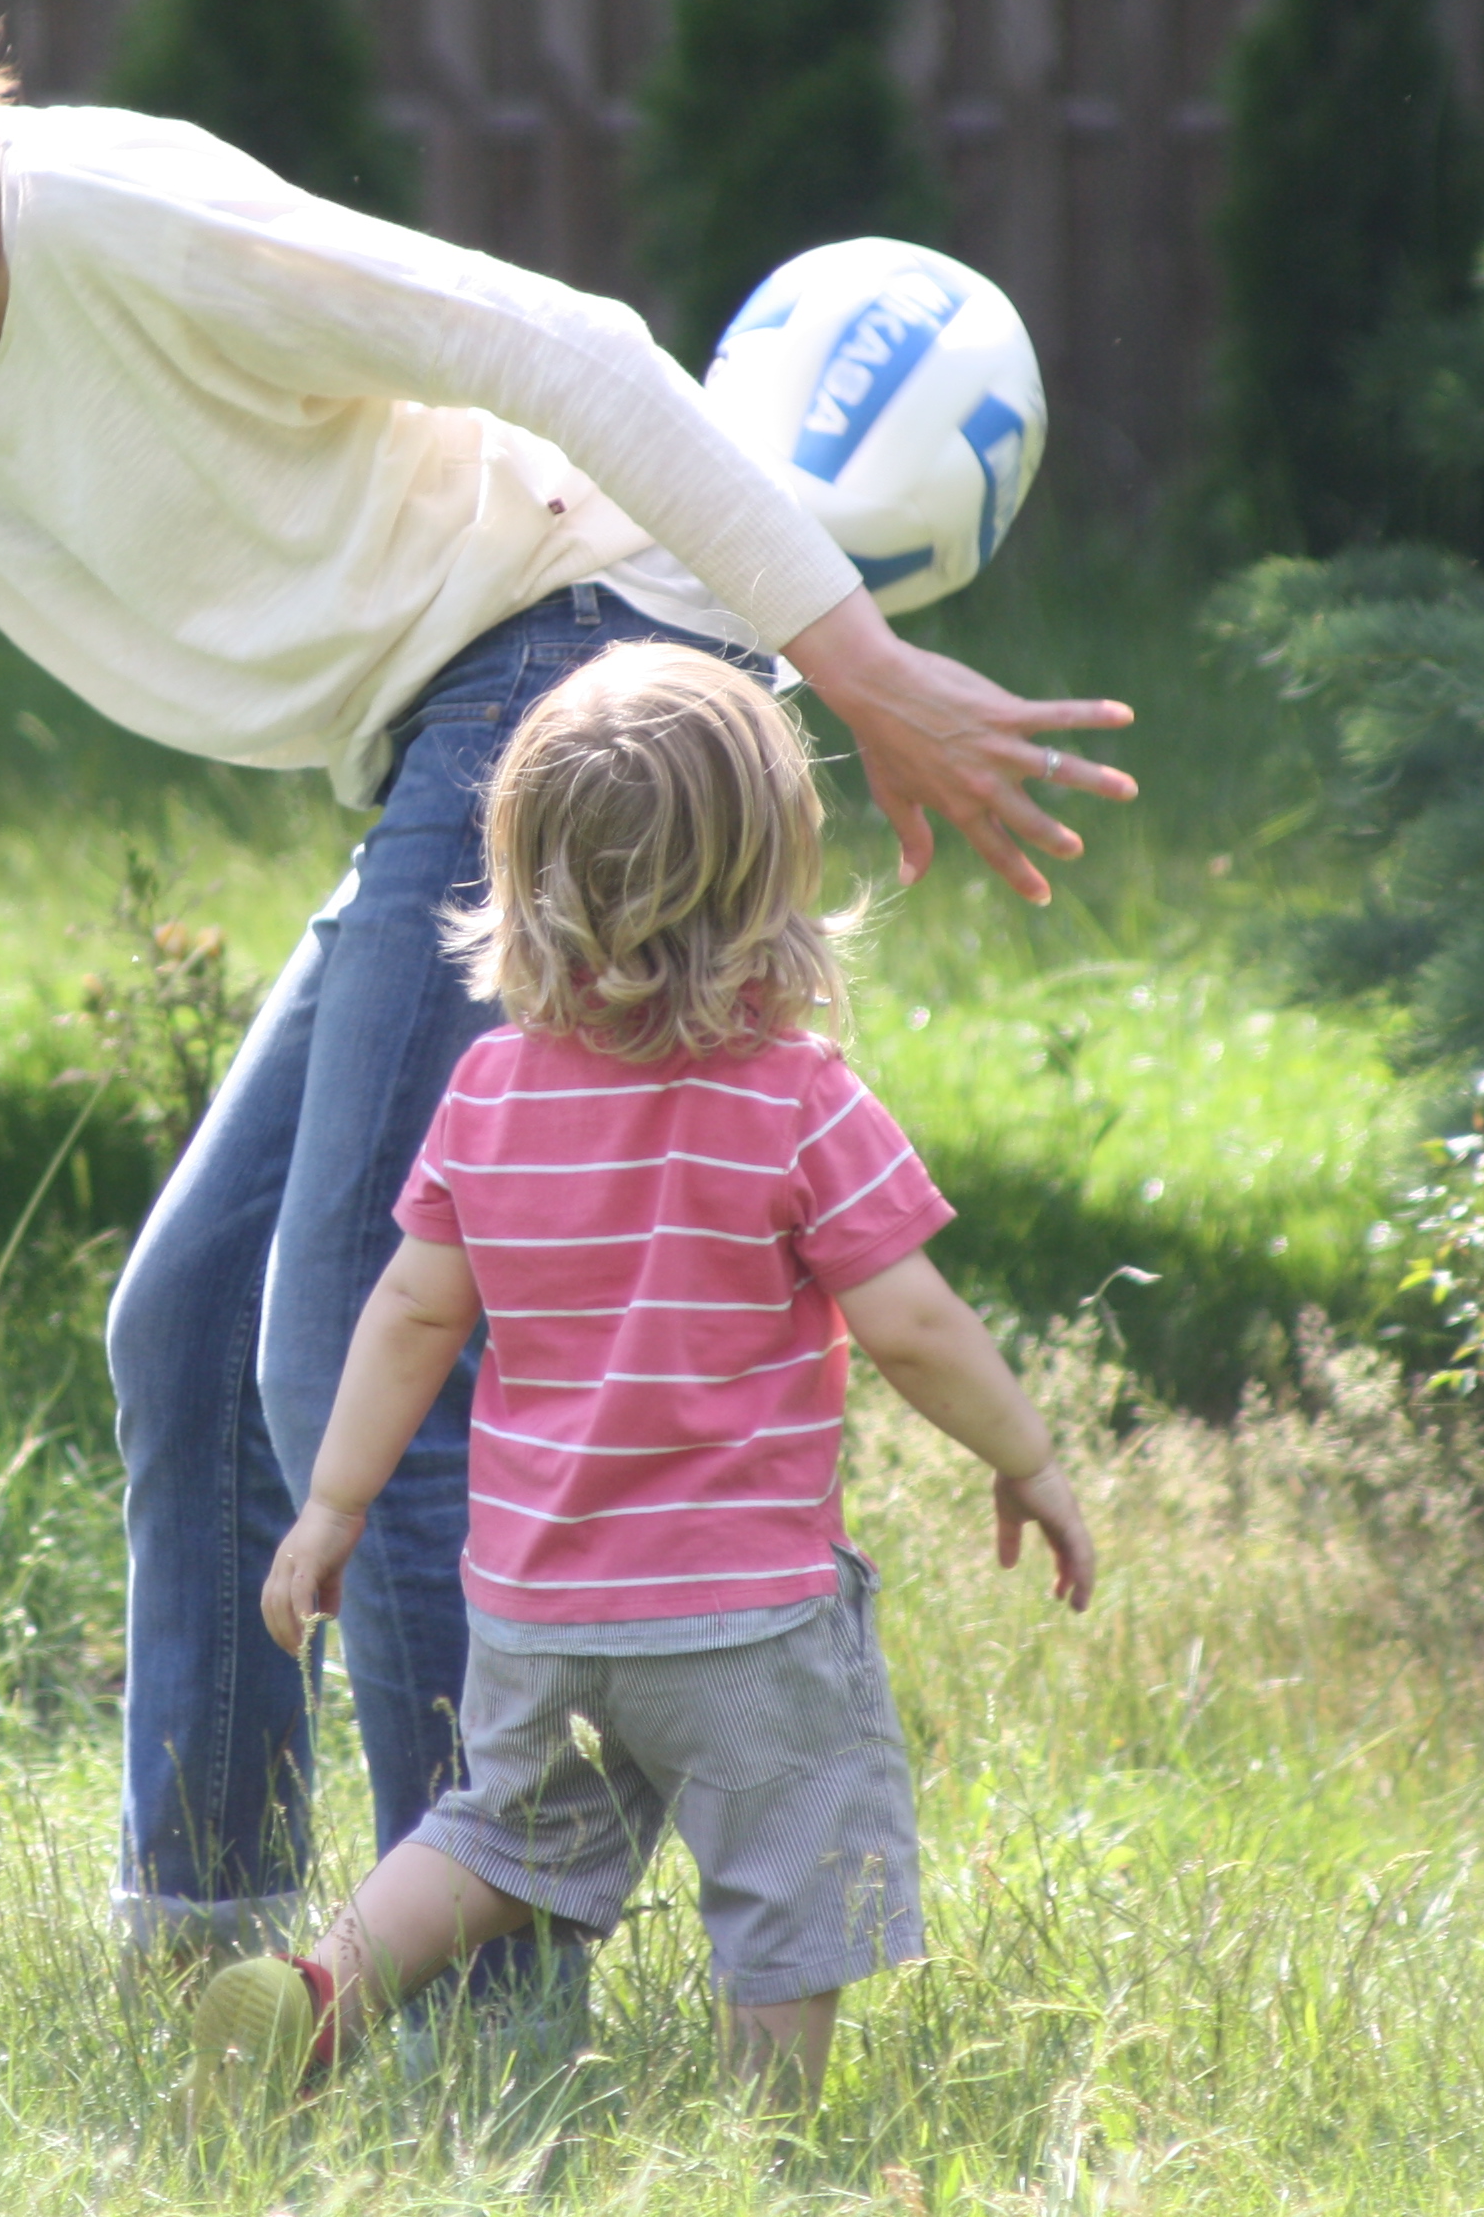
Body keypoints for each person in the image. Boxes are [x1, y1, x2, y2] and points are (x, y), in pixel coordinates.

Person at [0, 0, 1130, 1977]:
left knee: (346, 1322)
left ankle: (480, 1981)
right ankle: (212, 1941)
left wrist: (858, 666)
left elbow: (567, 345)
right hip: (429, 734)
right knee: (190, 1325)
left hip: (578, 646)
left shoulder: (115, 214)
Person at [186, 644, 1094, 2126]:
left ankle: (323, 1987)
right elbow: (914, 1326)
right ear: (771, 876)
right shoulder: (796, 1099)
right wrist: (1028, 1458)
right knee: (789, 1871)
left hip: (538, 1607)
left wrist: (333, 1506)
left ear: (526, 879)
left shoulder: (489, 1094)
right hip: (743, 1613)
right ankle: (758, 2148)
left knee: (494, 1835)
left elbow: (410, 1309)